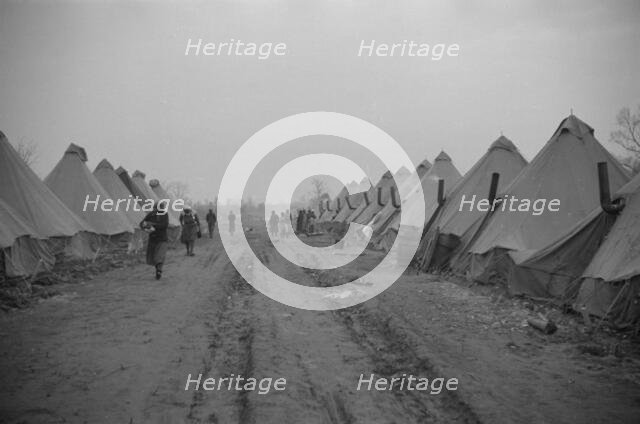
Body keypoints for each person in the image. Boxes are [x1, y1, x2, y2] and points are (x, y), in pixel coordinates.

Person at [140, 201, 169, 280]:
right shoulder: (152, 214)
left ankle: (159, 270)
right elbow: (142, 223)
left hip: (161, 238)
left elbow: (164, 225)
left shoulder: (163, 214)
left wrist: (152, 224)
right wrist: (145, 227)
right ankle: (158, 270)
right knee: (155, 257)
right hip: (154, 238)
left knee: (159, 256)